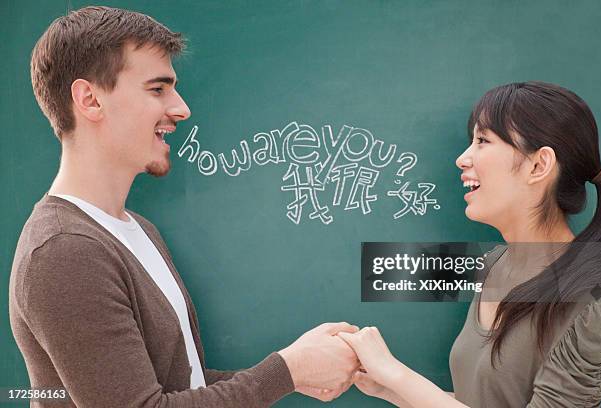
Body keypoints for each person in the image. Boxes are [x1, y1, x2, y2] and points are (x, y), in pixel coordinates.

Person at [8, 6, 359, 407]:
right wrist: (287, 370)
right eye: (157, 89)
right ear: (90, 99)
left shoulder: (135, 229)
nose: (181, 109)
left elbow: (176, 382)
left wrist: (300, 370)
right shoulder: (65, 251)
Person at [337, 81, 601, 407]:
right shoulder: (494, 265)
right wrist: (389, 388)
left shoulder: (596, 300)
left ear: (539, 166)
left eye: (483, 140)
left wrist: (395, 373)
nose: (462, 159)